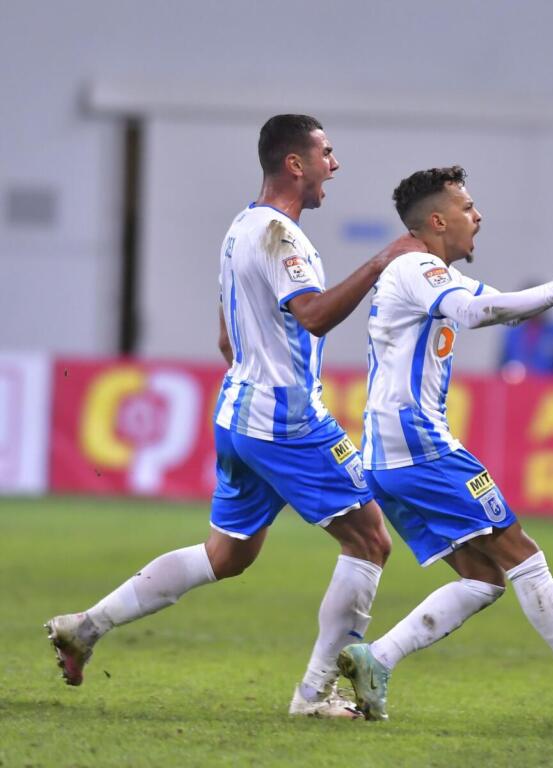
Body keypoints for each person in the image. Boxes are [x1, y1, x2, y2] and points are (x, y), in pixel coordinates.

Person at [45, 114, 423, 719]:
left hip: (239, 412)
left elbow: (226, 335)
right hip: (287, 422)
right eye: (326, 153)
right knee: (370, 540)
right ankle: (314, 695)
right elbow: (314, 315)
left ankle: (86, 626)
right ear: (295, 163)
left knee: (228, 554)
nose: (334, 165)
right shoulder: (280, 237)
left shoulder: (242, 227)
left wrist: (257, 371)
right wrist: (382, 262)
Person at [336, 165, 553, 722]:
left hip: (389, 455)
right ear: (438, 220)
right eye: (467, 207)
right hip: (420, 445)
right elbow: (477, 312)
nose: (478, 216)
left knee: (483, 578)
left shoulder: (432, 275)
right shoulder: (416, 266)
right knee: (520, 552)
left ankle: (377, 659)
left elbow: (502, 309)